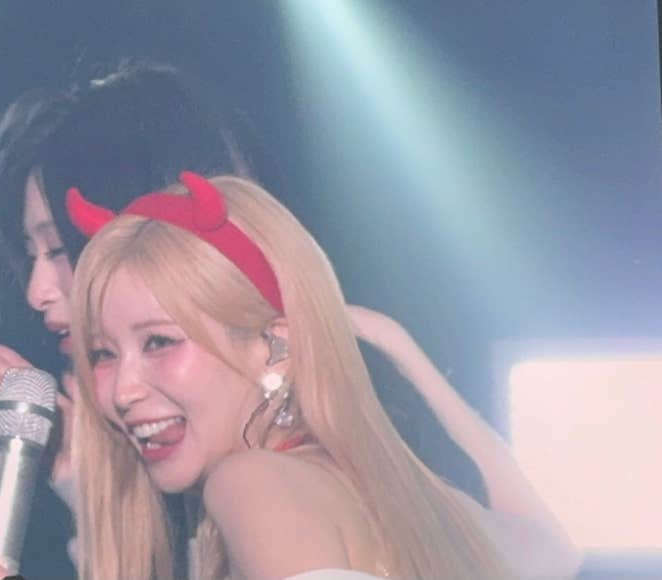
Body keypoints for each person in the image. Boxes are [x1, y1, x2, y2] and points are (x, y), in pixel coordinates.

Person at [47, 171, 576, 580]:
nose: (122, 391)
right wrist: (399, 346)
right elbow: (551, 550)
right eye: (102, 354)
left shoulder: (252, 483)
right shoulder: (405, 502)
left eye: (159, 342)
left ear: (275, 349)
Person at [0, 60, 241, 578]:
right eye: (30, 255)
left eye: (59, 250)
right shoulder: (184, 479)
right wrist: (83, 485)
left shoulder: (262, 486)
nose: (37, 293)